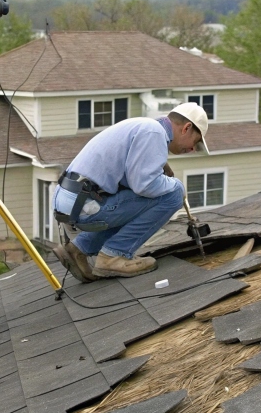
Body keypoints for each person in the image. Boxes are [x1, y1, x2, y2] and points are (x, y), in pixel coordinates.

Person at [52, 103, 210, 282]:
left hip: (74, 201)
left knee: (145, 201)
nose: (192, 149)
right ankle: (113, 256)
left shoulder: (144, 127)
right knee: (174, 193)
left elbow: (130, 181)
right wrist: (174, 184)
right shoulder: (154, 133)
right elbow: (144, 186)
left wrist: (158, 171)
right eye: (195, 142)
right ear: (186, 128)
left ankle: (78, 249)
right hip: (85, 204)